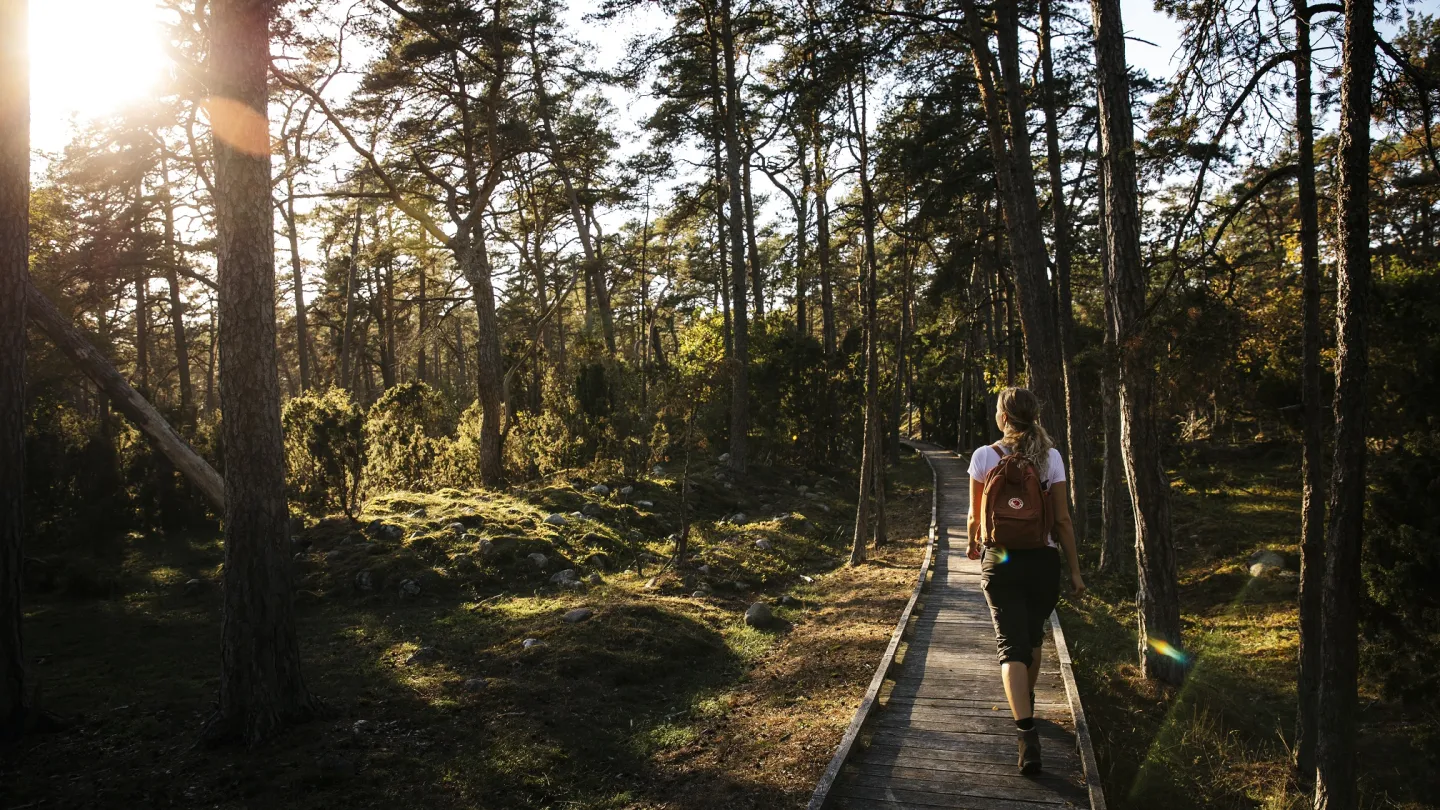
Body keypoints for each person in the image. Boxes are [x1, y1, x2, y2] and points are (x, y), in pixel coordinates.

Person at [966, 387, 1085, 775]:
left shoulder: (984, 456)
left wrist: (972, 546)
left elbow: (973, 515)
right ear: (1034, 416)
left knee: (1010, 644)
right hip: (1042, 559)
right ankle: (1027, 699)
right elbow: (1063, 520)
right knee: (1032, 637)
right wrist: (1075, 572)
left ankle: (1026, 733)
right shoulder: (1050, 457)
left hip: (1000, 557)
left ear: (1002, 417)